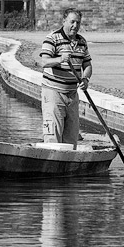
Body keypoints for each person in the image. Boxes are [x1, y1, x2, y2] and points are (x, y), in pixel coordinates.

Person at [39, 7, 93, 144]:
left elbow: (87, 65)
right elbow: (43, 62)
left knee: (71, 136)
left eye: (78, 23)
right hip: (53, 93)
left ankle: (68, 163)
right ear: (64, 21)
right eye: (72, 22)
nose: (75, 26)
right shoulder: (52, 38)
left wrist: (85, 79)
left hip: (72, 94)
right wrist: (59, 59)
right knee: (53, 135)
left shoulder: (82, 42)